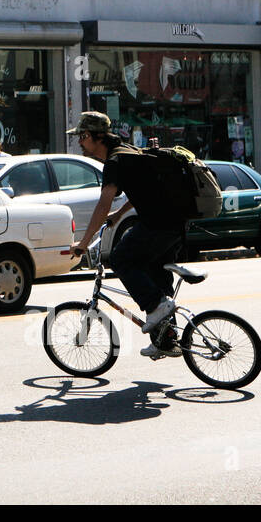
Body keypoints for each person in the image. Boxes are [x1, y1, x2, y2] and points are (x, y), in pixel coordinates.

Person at [68, 111, 189, 359]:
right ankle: (165, 339)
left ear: (92, 136)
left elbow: (102, 204)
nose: (79, 142)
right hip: (175, 224)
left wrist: (83, 242)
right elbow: (141, 190)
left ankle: (156, 308)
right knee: (155, 276)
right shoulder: (127, 151)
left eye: (81, 137)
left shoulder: (115, 161)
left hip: (156, 224)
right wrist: (118, 213)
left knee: (121, 259)